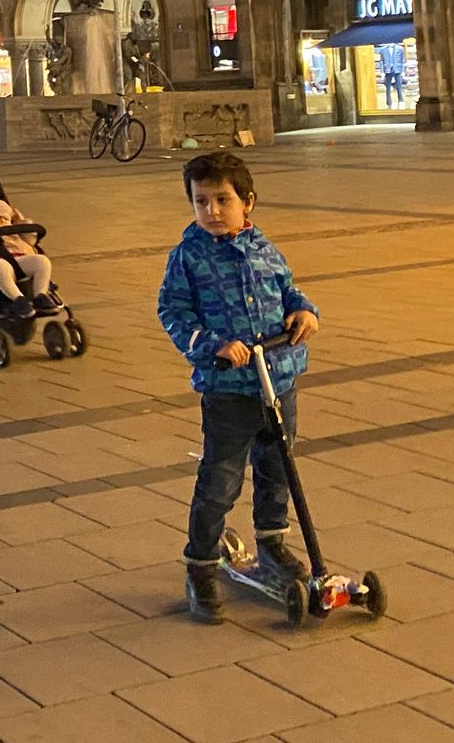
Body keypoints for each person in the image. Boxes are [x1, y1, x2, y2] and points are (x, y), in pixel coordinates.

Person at [157, 150, 320, 624]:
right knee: (220, 480)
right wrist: (213, 345)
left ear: (247, 202)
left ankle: (272, 542)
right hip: (229, 388)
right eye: (201, 201)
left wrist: (304, 311)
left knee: (277, 468)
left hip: (278, 378)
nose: (211, 210)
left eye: (222, 200)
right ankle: (201, 565)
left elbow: (287, 290)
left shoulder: (264, 247)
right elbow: (173, 312)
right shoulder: (188, 256)